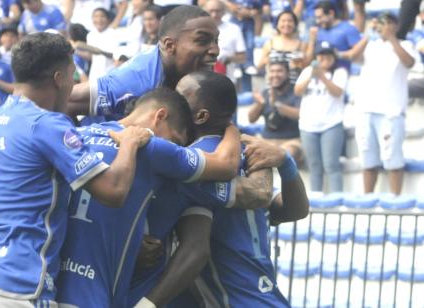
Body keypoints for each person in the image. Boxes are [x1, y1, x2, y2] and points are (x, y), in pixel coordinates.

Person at [0, 32, 152, 307]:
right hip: (17, 288)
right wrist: (129, 142)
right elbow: (114, 190)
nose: (73, 85)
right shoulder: (46, 124)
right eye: (72, 76)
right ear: (59, 78)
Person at [56, 87, 241, 308]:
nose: (174, 146)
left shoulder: (77, 136)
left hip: (50, 286)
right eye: (175, 140)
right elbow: (226, 165)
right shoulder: (150, 147)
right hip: (93, 296)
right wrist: (231, 128)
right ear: (160, 116)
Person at [127, 71, 271, 308]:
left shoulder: (184, 156)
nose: (174, 99)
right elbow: (272, 199)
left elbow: (270, 200)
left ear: (201, 116)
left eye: (181, 96)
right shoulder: (162, 150)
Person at [170, 134, 308, 307]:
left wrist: (287, 165)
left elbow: (294, 210)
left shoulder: (248, 178)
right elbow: (196, 250)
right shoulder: (188, 168)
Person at [67, 5, 219, 119]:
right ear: (170, 46)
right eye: (202, 41)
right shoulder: (135, 81)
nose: (215, 50)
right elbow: (65, 100)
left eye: (216, 41)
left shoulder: (196, 75)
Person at [354, 12, 417, 195]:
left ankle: (395, 202)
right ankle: (367, 201)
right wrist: (368, 34)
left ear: (396, 26)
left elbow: (409, 62)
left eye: (389, 23)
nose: (384, 26)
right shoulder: (370, 45)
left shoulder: (406, 44)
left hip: (391, 111)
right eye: (382, 23)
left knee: (393, 160)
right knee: (368, 161)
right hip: (366, 109)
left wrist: (392, 38)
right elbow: (353, 57)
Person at [294, 41, 347, 193]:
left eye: (328, 55)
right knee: (314, 166)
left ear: (333, 57)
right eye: (321, 55)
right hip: (308, 126)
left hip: (331, 124)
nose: (324, 58)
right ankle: (316, 200)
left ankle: (337, 200)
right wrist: (312, 74)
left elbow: (337, 92)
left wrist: (322, 76)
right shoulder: (307, 71)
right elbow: (297, 91)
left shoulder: (340, 72)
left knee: (331, 165)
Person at [248, 61, 302, 164]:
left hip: (291, 141)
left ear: (287, 74)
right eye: (272, 71)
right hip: (267, 140)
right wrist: (259, 104)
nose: (275, 75)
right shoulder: (265, 92)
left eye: (279, 71)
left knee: (286, 155)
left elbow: (300, 114)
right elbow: (251, 119)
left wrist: (276, 104)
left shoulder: (295, 91)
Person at [257, 10, 311, 84]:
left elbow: (308, 68)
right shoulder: (270, 44)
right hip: (273, 86)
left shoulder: (302, 45)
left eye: (290, 21)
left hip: (294, 86)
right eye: (283, 21)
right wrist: (266, 61)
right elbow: (259, 66)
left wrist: (300, 64)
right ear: (277, 24)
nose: (286, 24)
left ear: (295, 24)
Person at [312, 1, 366, 70]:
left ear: (331, 13)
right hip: (322, 73)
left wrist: (337, 54)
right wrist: (312, 41)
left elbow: (359, 56)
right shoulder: (317, 31)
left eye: (320, 17)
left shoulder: (348, 29)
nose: (317, 21)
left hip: (343, 73)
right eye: (316, 18)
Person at [204, 0, 246, 83]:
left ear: (224, 12)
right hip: (203, 79)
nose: (214, 14)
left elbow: (242, 57)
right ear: (205, 11)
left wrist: (228, 59)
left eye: (218, 11)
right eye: (211, 11)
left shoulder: (234, 29)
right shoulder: (197, 29)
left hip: (227, 79)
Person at [86, 8, 119, 80]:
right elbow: (91, 57)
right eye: (96, 16)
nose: (99, 20)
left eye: (102, 16)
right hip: (94, 76)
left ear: (108, 19)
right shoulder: (90, 35)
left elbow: (115, 55)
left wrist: (99, 51)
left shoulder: (113, 33)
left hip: (110, 75)